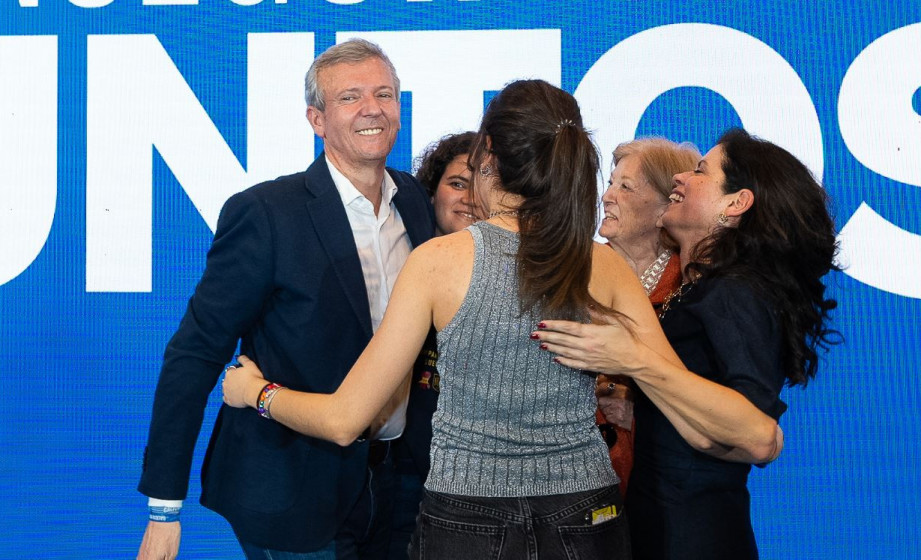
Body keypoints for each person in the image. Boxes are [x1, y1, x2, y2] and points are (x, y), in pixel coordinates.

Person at [222, 79, 689, 559]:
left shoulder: (438, 261)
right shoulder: (604, 265)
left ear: (487, 152)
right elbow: (678, 390)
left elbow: (344, 420)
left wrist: (257, 394)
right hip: (587, 513)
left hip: (469, 518)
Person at [136, 39, 435, 560]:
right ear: (316, 119)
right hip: (290, 490)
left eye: (384, 94)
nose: (372, 108)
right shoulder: (267, 213)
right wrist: (165, 508)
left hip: (397, 484)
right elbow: (195, 351)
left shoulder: (414, 201)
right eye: (350, 97)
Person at [534, 128, 840, 559]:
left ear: (735, 204)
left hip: (693, 535)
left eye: (700, 171)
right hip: (661, 527)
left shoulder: (734, 292)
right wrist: (644, 405)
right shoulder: (703, 288)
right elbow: (706, 403)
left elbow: (754, 434)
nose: (681, 177)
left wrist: (636, 361)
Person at [388, 131, 478, 559]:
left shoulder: (521, 278)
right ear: (431, 189)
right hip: (392, 476)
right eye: (458, 183)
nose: (469, 198)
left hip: (480, 493)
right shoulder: (395, 268)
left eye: (483, 183)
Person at [595, 138, 699, 497]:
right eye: (610, 184)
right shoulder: (577, 272)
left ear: (664, 208)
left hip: (665, 485)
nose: (607, 196)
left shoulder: (691, 287)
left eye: (625, 187)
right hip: (580, 485)